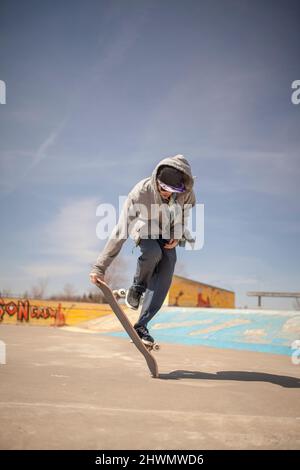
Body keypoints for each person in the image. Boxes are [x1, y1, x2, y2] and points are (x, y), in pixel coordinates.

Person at [90, 154, 196, 344]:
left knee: (167, 269)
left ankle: (141, 326)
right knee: (153, 253)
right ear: (157, 181)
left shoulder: (186, 193)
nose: (167, 194)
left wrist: (177, 233)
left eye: (172, 191)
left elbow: (184, 216)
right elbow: (121, 230)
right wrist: (100, 267)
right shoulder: (140, 193)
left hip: (167, 232)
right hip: (145, 227)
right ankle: (137, 288)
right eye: (163, 189)